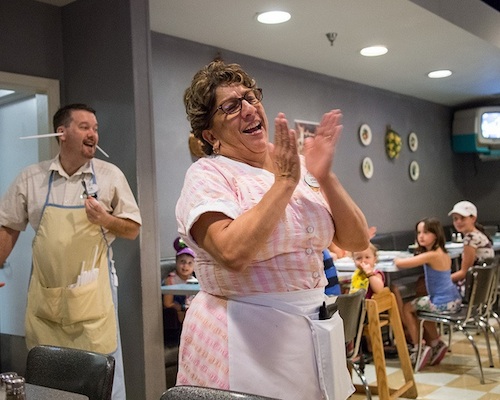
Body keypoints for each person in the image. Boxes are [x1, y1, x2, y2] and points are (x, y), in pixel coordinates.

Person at [175, 59, 370, 399]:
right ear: (210, 134)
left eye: (251, 97)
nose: (249, 109)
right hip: (243, 337)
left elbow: (356, 239)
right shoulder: (209, 175)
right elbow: (232, 253)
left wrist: (324, 175)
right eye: (232, 106)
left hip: (311, 327)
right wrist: (283, 184)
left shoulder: (292, 164)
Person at [0, 103, 142, 400]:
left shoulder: (109, 176)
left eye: (95, 128)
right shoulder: (31, 179)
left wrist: (104, 218)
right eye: (85, 127)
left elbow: (132, 228)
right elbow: (8, 228)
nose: (93, 134)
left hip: (94, 298)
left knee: (101, 376)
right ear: (61, 132)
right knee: (50, 379)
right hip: (47, 298)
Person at [394, 218, 461, 370]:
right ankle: (436, 343)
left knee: (407, 308)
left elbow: (401, 264)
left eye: (426, 232)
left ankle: (419, 347)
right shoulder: (442, 253)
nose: (421, 236)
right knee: (424, 307)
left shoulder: (432, 255)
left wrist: (396, 258)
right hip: (453, 299)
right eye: (418, 233)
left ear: (436, 235)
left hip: (442, 303)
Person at [448, 201, 495, 284]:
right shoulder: (479, 235)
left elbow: (464, 273)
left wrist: (441, 281)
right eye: (455, 219)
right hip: (483, 285)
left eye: (462, 218)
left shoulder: (470, 239)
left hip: (474, 286)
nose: (458, 222)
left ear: (473, 218)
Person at [163, 237, 196, 323]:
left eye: (190, 263)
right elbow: (168, 303)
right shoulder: (171, 280)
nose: (185, 266)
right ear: (176, 262)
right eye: (182, 262)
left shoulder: (194, 281)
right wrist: (182, 309)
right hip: (178, 313)